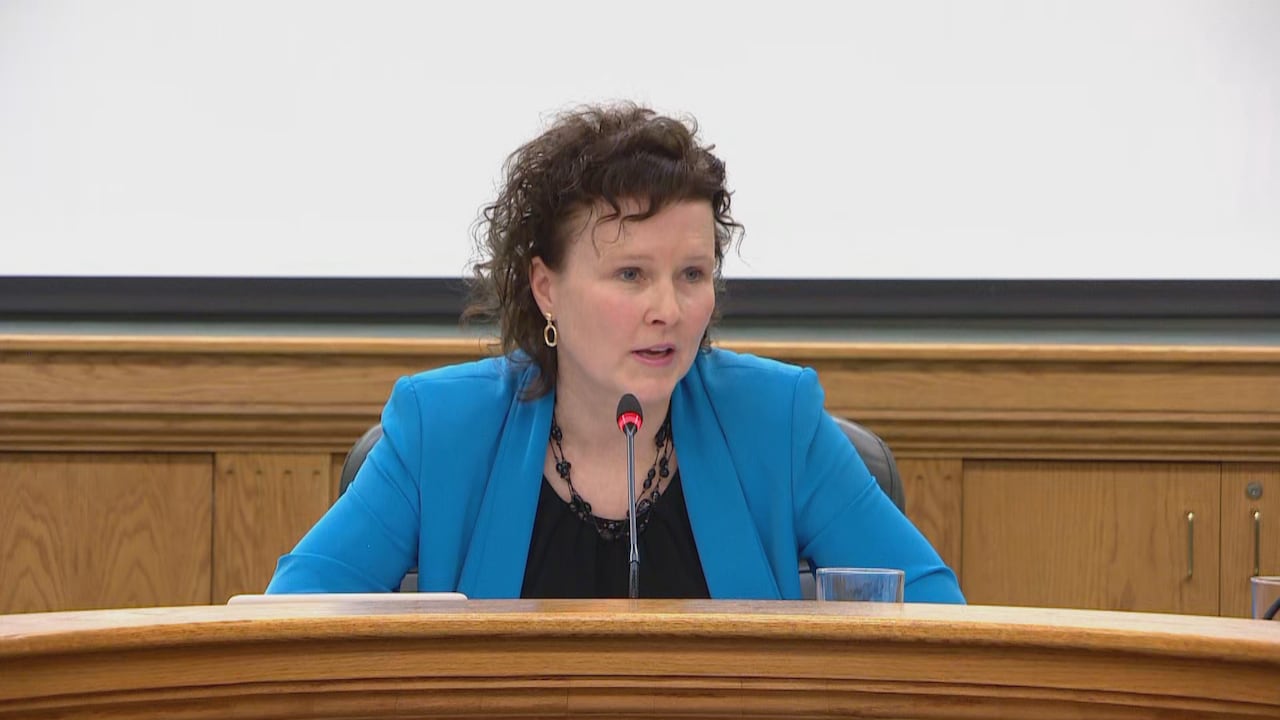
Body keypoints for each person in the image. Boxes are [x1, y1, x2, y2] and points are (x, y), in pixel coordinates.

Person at [266, 103, 964, 602]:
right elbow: (292, 623)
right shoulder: (440, 431)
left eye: (692, 274)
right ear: (546, 287)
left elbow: (936, 622)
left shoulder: (776, 421)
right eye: (631, 275)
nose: (669, 307)